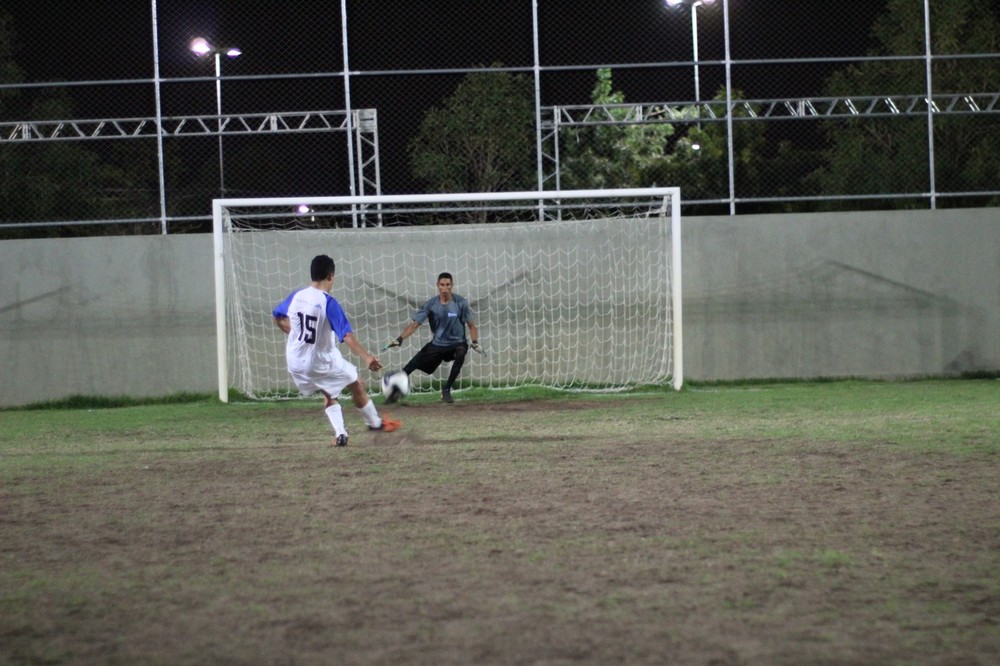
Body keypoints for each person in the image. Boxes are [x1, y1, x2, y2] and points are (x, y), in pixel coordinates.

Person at [272, 254, 401, 446]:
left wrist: (294, 334)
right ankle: (375, 424)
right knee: (356, 383)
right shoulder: (328, 302)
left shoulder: (297, 296)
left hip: (296, 362)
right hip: (320, 361)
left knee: (328, 392)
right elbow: (346, 335)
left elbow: (277, 315)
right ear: (331, 276)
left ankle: (341, 434)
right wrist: (367, 358)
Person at [385, 271, 481, 404]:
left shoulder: (461, 303)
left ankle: (446, 390)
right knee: (410, 366)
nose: (445, 288)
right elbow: (414, 325)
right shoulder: (431, 304)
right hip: (438, 345)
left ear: (452, 285)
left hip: (457, 343)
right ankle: (394, 393)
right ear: (438, 285)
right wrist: (400, 339)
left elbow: (471, 326)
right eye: (442, 284)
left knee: (461, 352)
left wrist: (475, 342)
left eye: (448, 285)